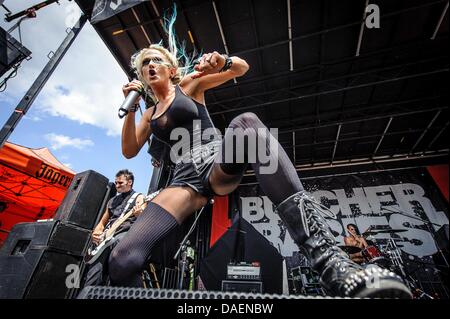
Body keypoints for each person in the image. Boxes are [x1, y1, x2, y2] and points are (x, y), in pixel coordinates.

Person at [109, 7, 412, 298]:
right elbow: (129, 150)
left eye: (156, 61)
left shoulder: (189, 85)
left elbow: (242, 68)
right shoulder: (147, 113)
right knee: (122, 260)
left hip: (216, 159)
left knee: (246, 124)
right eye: (145, 63)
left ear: (171, 70)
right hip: (183, 179)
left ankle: (331, 264)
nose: (149, 65)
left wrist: (222, 60)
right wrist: (132, 106)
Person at [92, 169, 146, 245]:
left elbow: (144, 218)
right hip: (107, 237)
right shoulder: (112, 201)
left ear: (129, 182)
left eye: (120, 183)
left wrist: (139, 213)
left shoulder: (139, 197)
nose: (117, 186)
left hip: (125, 237)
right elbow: (102, 222)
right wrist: (96, 232)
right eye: (116, 183)